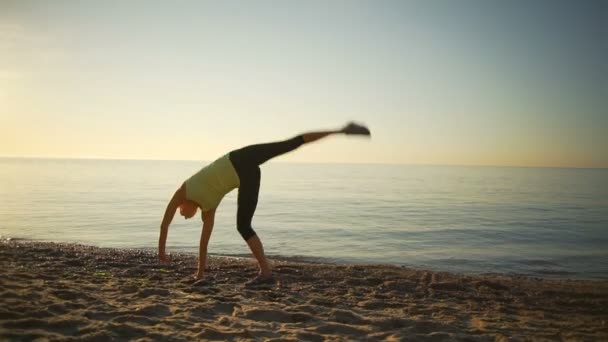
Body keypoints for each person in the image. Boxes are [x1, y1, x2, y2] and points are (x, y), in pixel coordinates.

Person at [158, 122, 370, 285]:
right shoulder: (208, 209)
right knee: (243, 226)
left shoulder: (183, 191)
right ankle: (266, 272)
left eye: (181, 213)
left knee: (290, 144)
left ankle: (342, 130)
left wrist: (161, 253)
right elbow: (203, 244)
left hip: (241, 158)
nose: (183, 216)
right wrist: (200, 275)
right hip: (246, 177)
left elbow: (165, 224)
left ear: (182, 204)